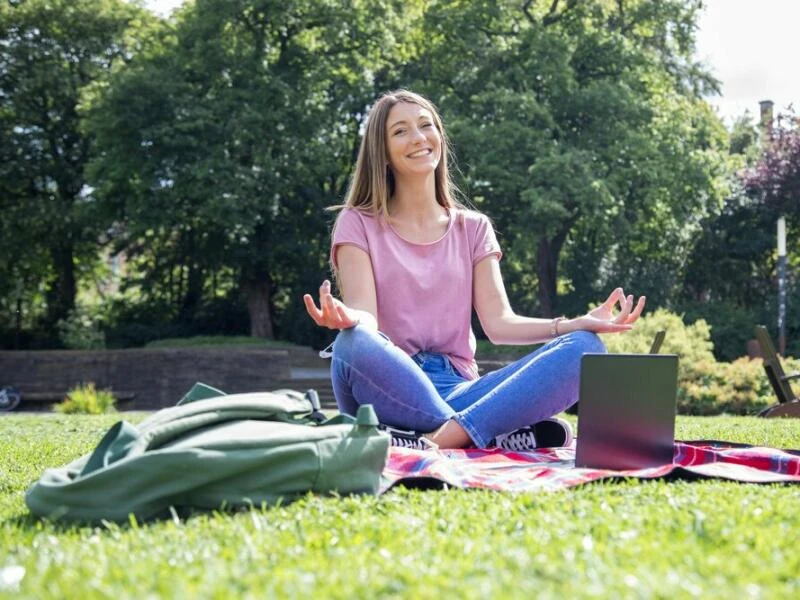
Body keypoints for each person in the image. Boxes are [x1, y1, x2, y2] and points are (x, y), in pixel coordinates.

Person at [304, 89, 645, 451]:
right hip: (391, 382)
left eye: (426, 126)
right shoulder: (356, 222)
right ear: (382, 152)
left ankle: (441, 436)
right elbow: (367, 321)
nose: (419, 138)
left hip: (461, 387)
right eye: (400, 131)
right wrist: (347, 318)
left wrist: (573, 324)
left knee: (586, 348)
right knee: (353, 343)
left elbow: (499, 324)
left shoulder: (474, 227)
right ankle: (489, 429)